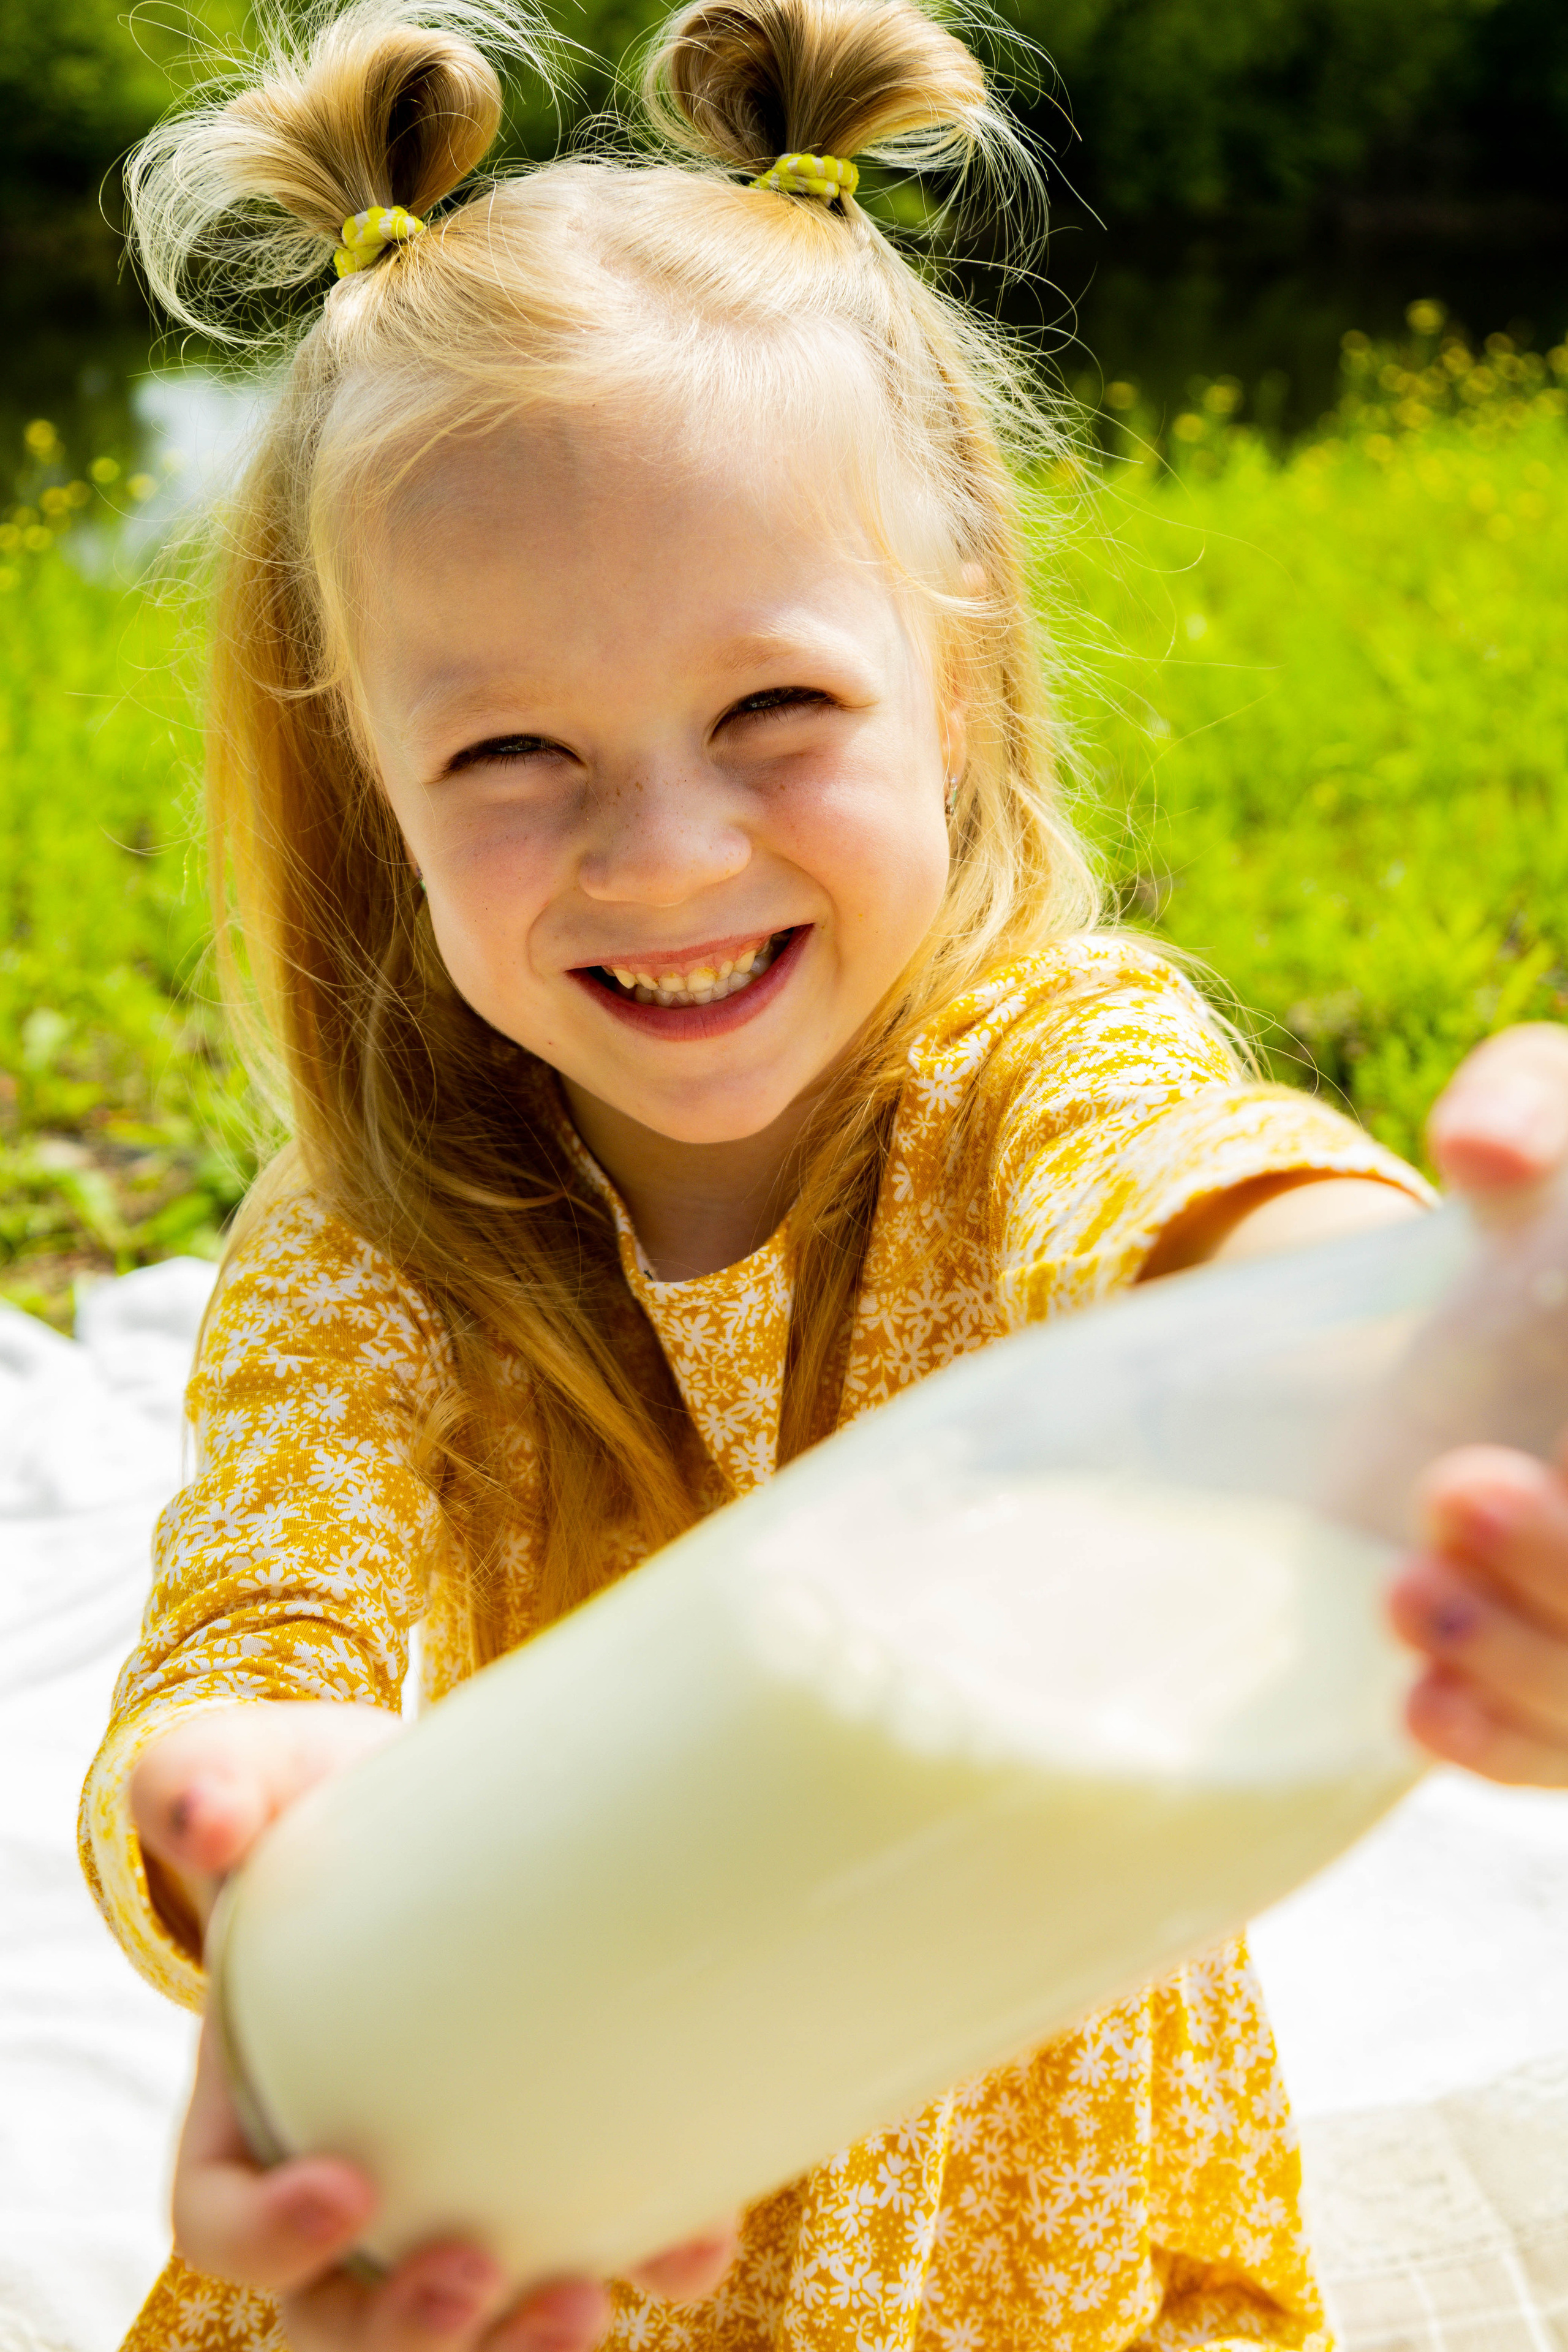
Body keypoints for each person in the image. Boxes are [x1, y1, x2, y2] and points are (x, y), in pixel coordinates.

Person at [77, 1, 1568, 2347]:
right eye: (510, 754)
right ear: (368, 780)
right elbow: (257, 1618)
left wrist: (1463, 1352)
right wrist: (265, 1839)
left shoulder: (1027, 1070)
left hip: (1023, 2237)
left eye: (776, 713)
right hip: (550, 2184)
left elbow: (1196, 1192)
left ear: (952, 683)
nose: (663, 858)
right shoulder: (377, 1246)